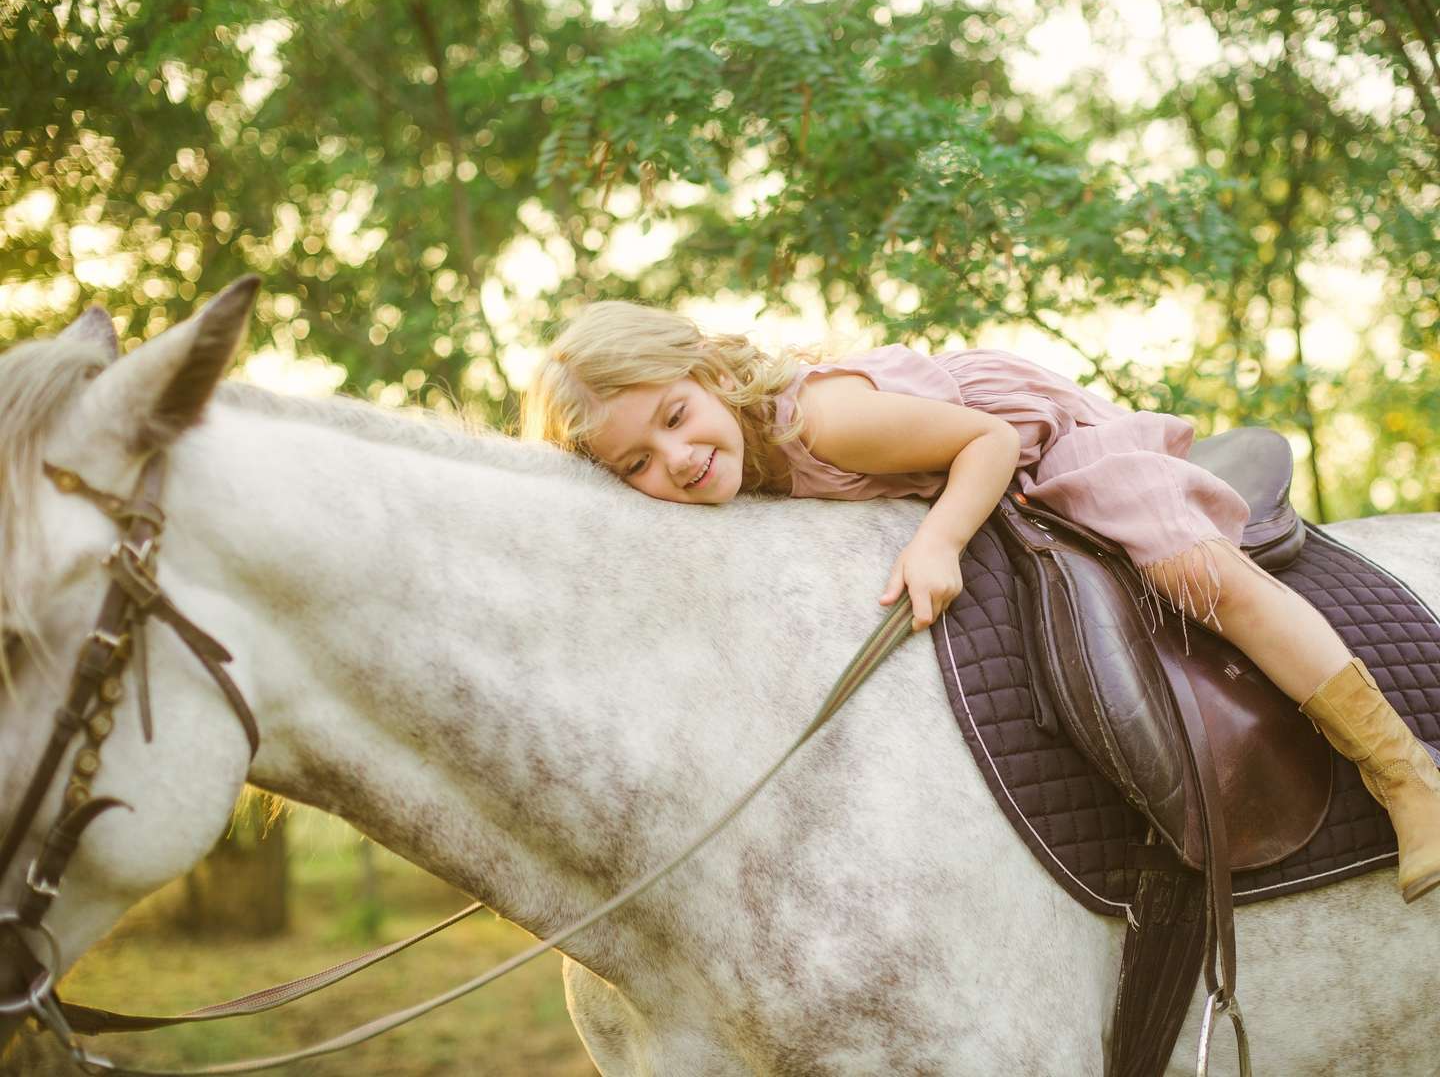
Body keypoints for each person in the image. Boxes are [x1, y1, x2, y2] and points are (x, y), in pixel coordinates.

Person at [521, 300, 1440, 904]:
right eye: (635, 463)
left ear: (713, 381)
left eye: (675, 418)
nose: (673, 461)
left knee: (1193, 576)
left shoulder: (822, 419)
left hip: (1048, 452)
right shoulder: (740, 473)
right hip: (992, 467)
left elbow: (990, 442)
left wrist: (939, 539)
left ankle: (1404, 770)